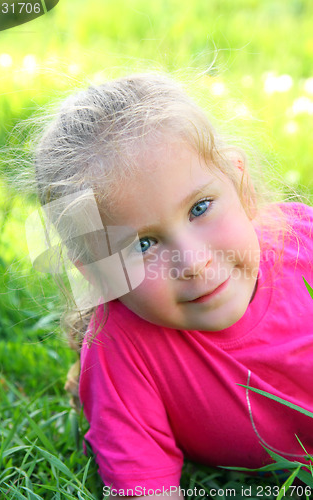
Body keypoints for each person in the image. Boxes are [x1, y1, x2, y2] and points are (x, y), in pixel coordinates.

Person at [32, 73, 313, 498]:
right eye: (143, 244)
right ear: (100, 273)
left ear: (240, 184)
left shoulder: (303, 243)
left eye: (200, 208)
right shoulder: (122, 349)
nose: (193, 262)